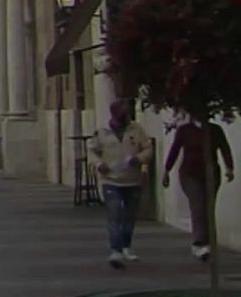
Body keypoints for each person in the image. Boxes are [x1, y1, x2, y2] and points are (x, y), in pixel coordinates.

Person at [88, 100, 154, 269]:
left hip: (132, 179)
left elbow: (148, 149)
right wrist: (98, 164)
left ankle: (126, 246)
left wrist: (138, 159)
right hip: (111, 180)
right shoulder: (103, 131)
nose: (125, 117)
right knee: (115, 214)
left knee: (129, 217)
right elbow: (92, 151)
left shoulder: (136, 129)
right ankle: (115, 249)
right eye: (122, 114)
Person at [163, 115, 235, 262]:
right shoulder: (185, 130)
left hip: (211, 173)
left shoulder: (215, 130)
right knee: (198, 206)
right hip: (189, 174)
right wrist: (166, 170)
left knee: (208, 208)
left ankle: (207, 242)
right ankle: (199, 243)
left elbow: (224, 148)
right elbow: (174, 150)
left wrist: (229, 167)